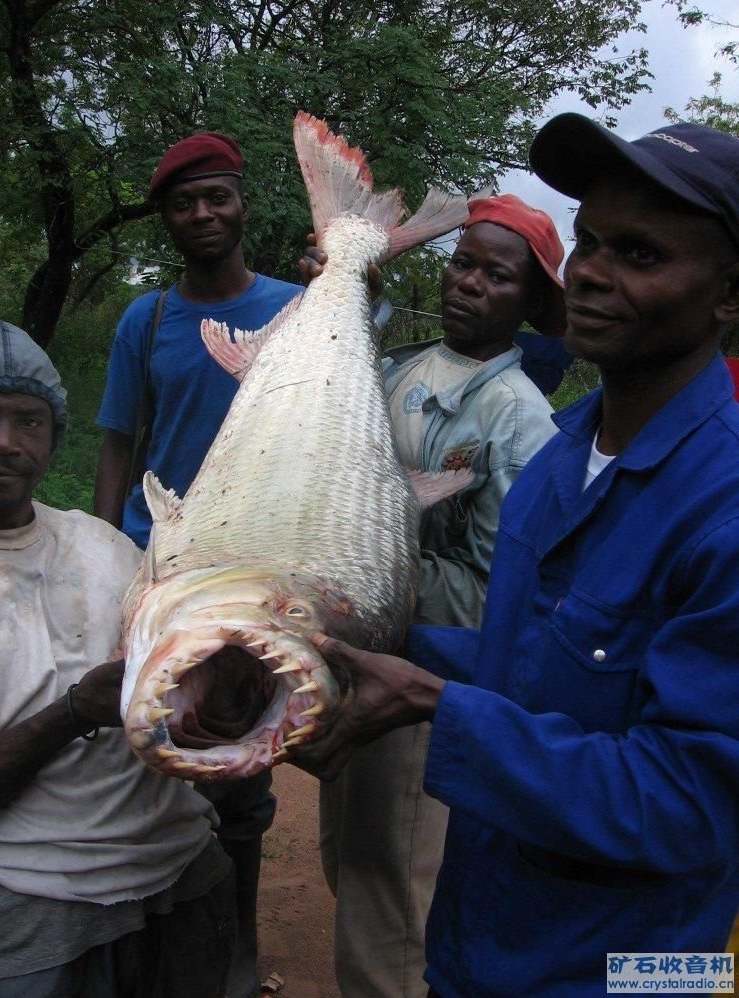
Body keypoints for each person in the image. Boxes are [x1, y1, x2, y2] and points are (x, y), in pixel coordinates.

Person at [291, 115, 739, 996]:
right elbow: (532, 661)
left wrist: (437, 708)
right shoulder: (562, 459)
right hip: (479, 940)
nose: (596, 276)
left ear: (729, 295)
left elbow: (691, 805)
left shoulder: (723, 508)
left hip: (632, 972)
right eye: (591, 243)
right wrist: (367, 644)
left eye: (643, 257)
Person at [319, 195, 563, 997]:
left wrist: (370, 565)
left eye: (498, 277)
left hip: (421, 685)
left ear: (530, 303)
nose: (469, 285)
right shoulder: (406, 366)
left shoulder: (518, 418)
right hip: (360, 658)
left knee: (393, 893)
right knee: (348, 860)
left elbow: (500, 593)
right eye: (464, 264)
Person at [93, 132, 301, 998]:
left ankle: (239, 951)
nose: (203, 214)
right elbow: (116, 447)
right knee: (151, 747)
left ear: (242, 203)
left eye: (217, 197)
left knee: (240, 764)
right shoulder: (146, 322)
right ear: (167, 220)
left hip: (254, 571)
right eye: (185, 203)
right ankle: (147, 942)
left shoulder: (298, 309)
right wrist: (106, 556)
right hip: (166, 564)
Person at [0, 319, 234, 997]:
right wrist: (75, 711)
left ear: (53, 439)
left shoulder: (105, 546)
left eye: (28, 421)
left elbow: (193, 702)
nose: (4, 442)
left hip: (182, 877)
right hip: (26, 904)